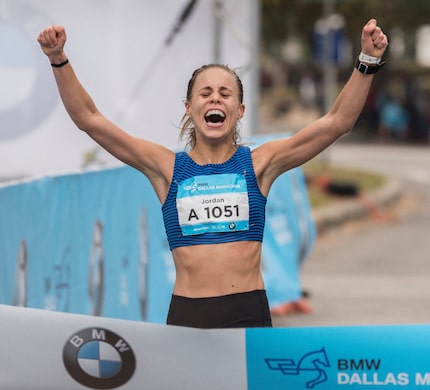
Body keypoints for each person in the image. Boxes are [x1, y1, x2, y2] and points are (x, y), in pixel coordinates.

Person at [37, 19, 388, 329]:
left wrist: (367, 61)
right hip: (189, 317)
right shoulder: (167, 168)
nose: (215, 99)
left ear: (239, 110)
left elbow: (337, 122)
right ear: (190, 109)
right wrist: (58, 59)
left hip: (248, 314)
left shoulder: (260, 164)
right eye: (205, 93)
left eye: (225, 93)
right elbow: (90, 120)